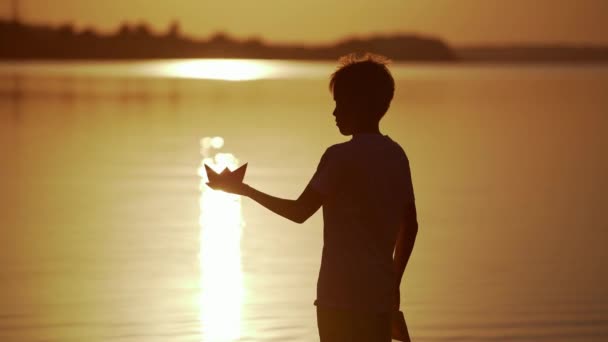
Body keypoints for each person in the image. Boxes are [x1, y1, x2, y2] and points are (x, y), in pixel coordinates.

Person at [206, 53, 418, 342]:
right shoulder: (396, 156)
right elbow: (411, 225)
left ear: (359, 105)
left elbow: (299, 211)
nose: (334, 113)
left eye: (340, 104)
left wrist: (244, 190)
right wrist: (394, 281)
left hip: (339, 299)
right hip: (379, 297)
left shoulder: (339, 157)